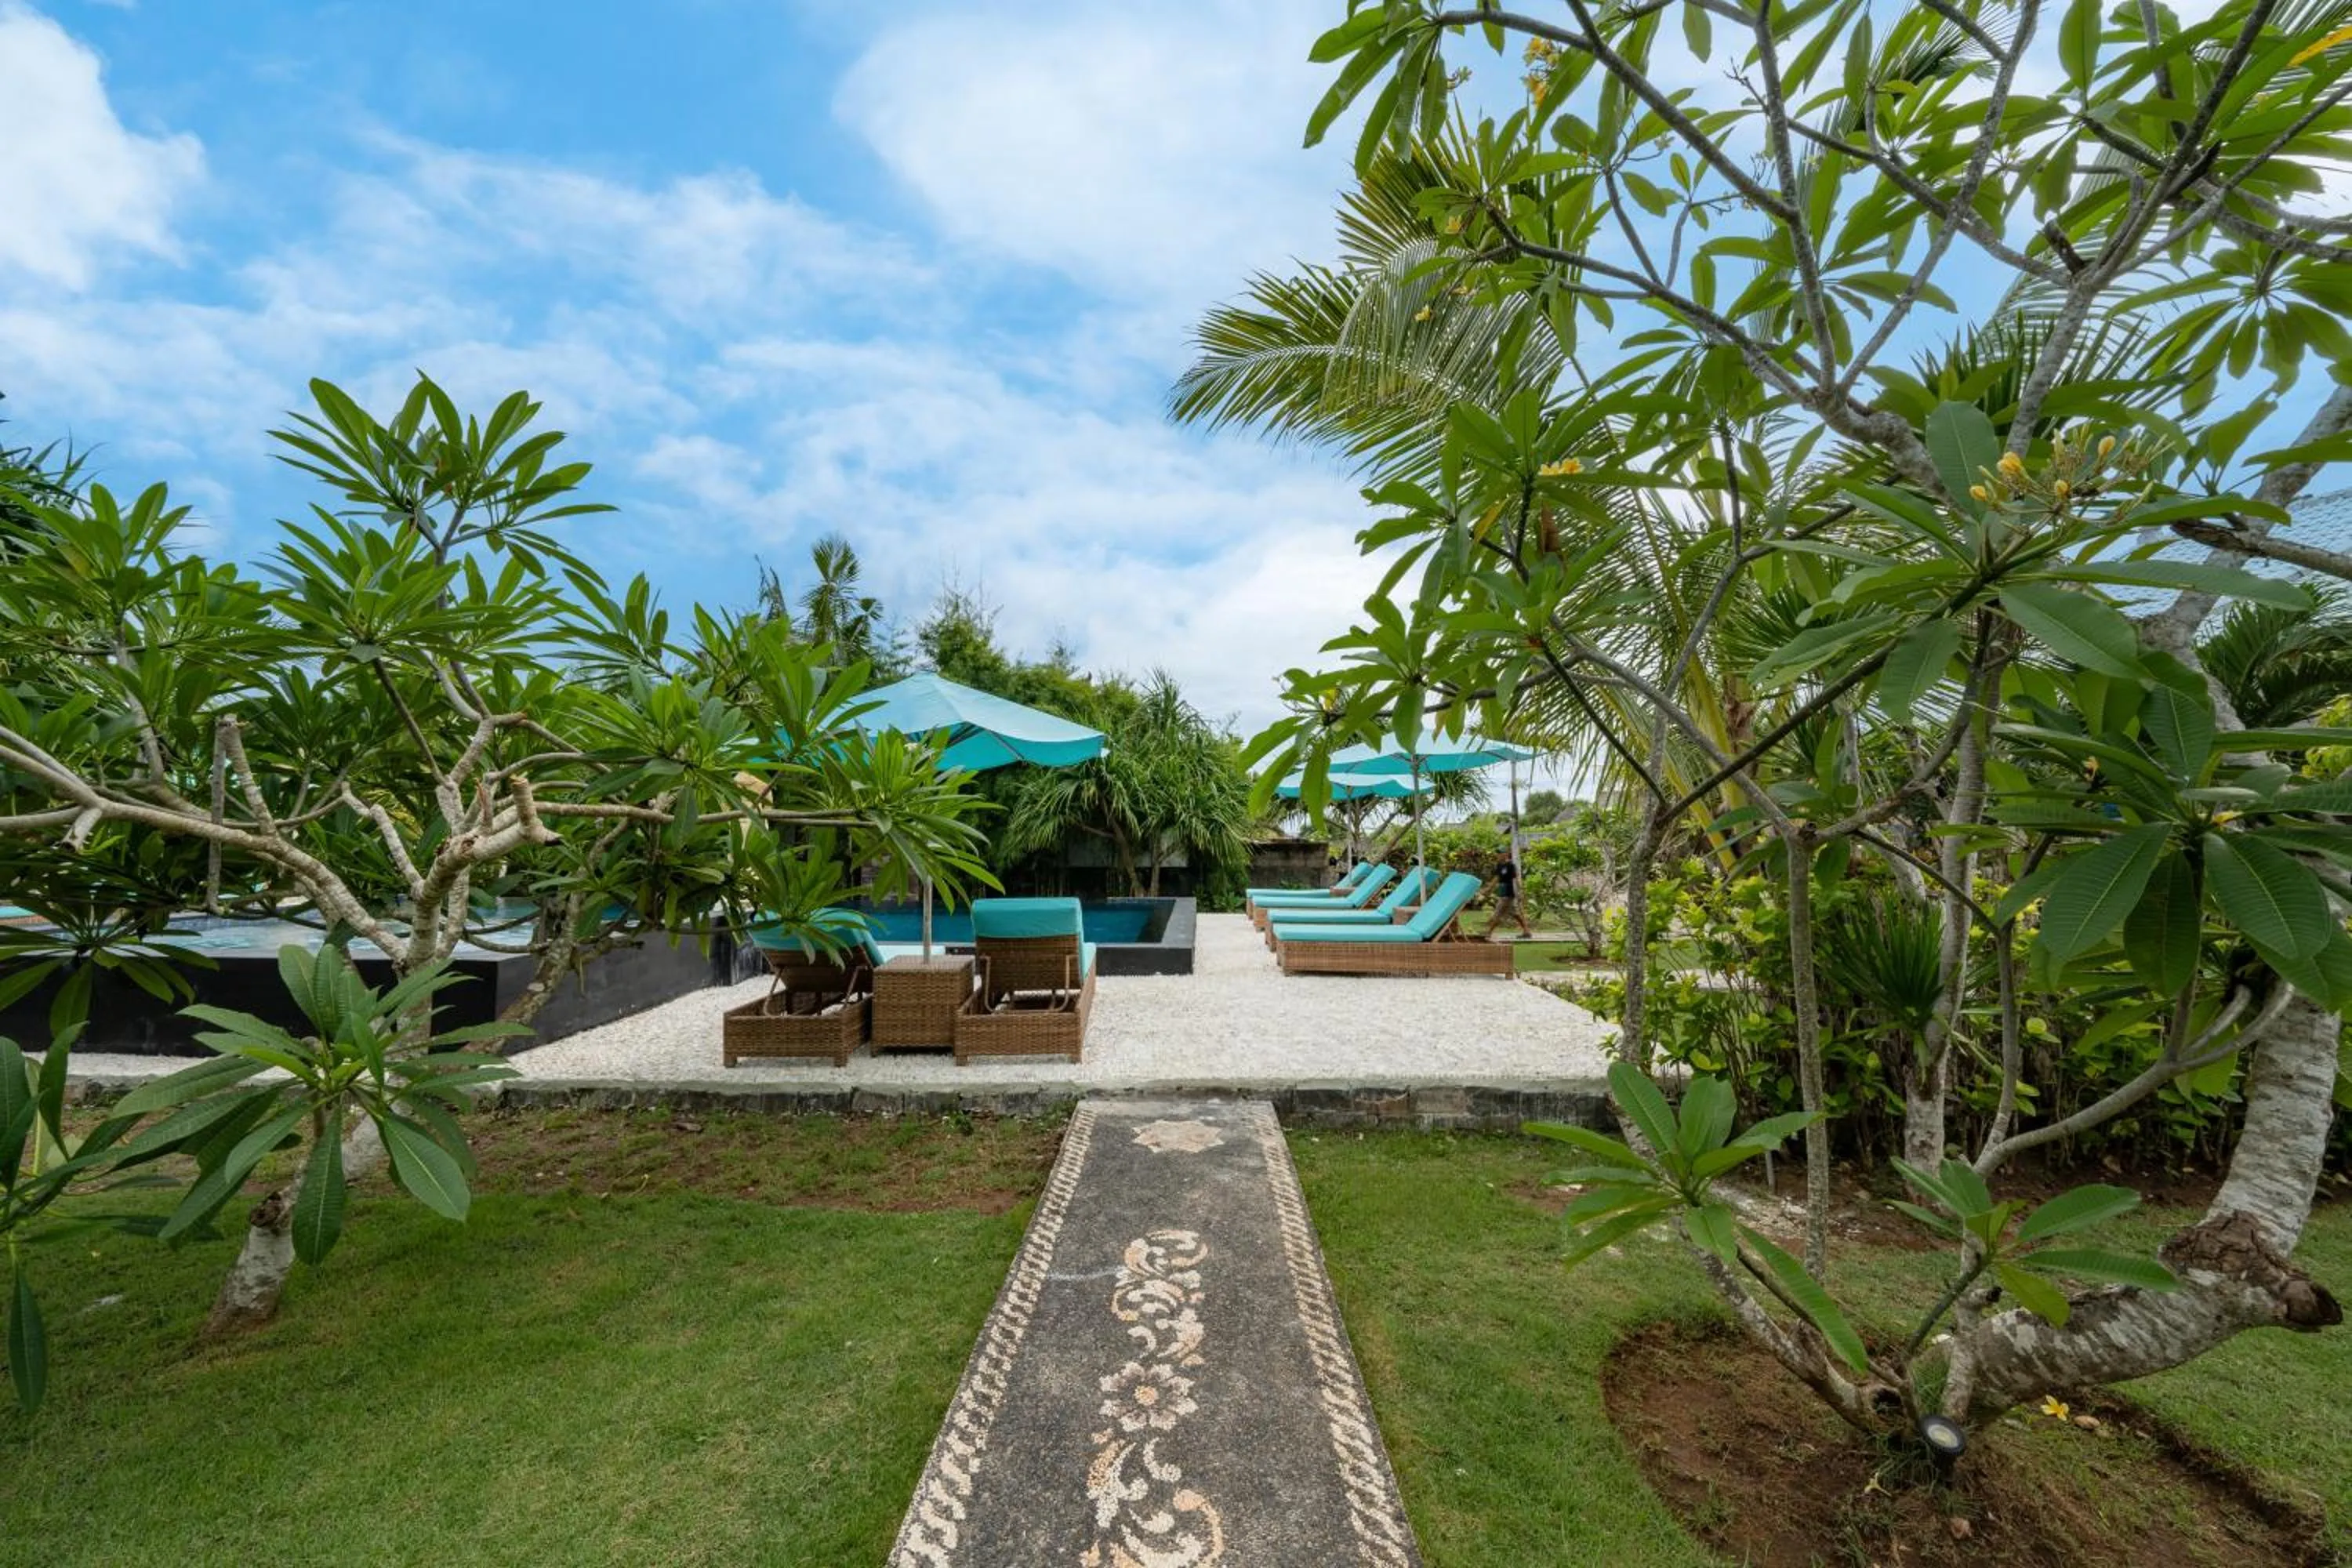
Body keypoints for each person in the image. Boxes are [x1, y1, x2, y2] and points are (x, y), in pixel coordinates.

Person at [1485, 843, 1534, 939]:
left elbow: (1516, 879)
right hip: (1502, 892)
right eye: (1497, 853)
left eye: (1500, 853)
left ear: (1506, 854)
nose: (1498, 855)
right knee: (1515, 914)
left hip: (1508, 893)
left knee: (1498, 913)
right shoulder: (1499, 865)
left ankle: (1488, 933)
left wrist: (1520, 892)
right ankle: (1527, 931)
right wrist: (1489, 889)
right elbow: (1497, 878)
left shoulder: (1511, 865)